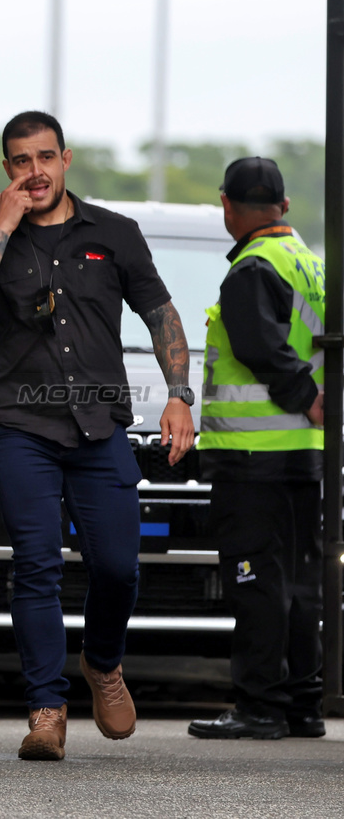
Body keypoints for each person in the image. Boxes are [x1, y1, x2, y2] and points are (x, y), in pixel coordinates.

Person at [0, 111, 195, 761]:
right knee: (36, 564)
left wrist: (177, 395)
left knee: (117, 566)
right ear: (6, 170)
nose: (34, 172)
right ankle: (45, 710)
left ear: (65, 159)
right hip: (18, 425)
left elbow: (160, 313)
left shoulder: (114, 235)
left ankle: (102, 663)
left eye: (44, 157)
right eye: (21, 161)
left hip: (98, 426)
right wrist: (1, 227)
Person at [187, 158, 326, 741]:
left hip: (254, 455)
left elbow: (260, 346)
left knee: (255, 580)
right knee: (298, 581)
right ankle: (303, 705)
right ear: (285, 206)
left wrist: (305, 394)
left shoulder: (251, 268)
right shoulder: (312, 264)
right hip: (305, 452)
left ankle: (259, 707)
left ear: (227, 205)